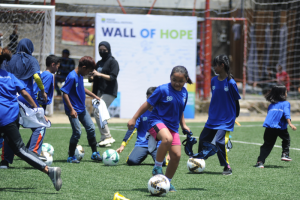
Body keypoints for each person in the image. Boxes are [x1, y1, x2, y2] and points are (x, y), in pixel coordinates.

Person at [0, 47, 62, 191]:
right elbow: (25, 93)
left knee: (17, 147)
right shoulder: (10, 76)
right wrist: (37, 109)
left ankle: (5, 161)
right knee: (20, 149)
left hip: (3, 117)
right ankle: (49, 171)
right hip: (11, 116)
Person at [127, 66, 192, 192]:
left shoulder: (184, 93)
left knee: (176, 156)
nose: (177, 83)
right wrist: (134, 118)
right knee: (166, 139)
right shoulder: (162, 89)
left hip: (172, 127)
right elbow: (147, 104)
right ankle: (157, 167)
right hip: (156, 122)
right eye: (174, 80)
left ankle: (166, 182)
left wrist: (183, 125)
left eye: (180, 81)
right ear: (170, 77)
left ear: (186, 80)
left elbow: (180, 110)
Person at [1, 38, 48, 168]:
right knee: (40, 125)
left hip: (11, 99)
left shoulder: (10, 58)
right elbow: (37, 77)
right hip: (25, 98)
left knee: (10, 129)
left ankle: (5, 161)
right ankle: (33, 155)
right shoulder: (31, 60)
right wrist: (43, 91)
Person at [196, 54, 241, 175]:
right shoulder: (213, 81)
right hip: (213, 117)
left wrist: (235, 116)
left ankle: (227, 167)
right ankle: (199, 162)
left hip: (226, 119)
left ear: (222, 65)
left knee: (220, 142)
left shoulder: (231, 83)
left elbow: (236, 101)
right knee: (203, 139)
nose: (213, 67)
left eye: (215, 65)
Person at [60, 56, 102, 163]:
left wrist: (94, 95)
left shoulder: (80, 75)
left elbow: (81, 88)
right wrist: (71, 110)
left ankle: (94, 153)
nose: (89, 73)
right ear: (83, 67)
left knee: (91, 128)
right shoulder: (72, 76)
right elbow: (65, 93)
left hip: (82, 109)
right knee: (77, 132)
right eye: (88, 71)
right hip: (73, 110)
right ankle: (70, 156)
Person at [116, 87, 167, 166]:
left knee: (163, 163)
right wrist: (122, 145)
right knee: (131, 161)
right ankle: (140, 153)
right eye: (148, 99)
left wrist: (169, 152)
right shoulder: (141, 112)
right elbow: (132, 129)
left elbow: (169, 133)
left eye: (153, 99)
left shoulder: (162, 112)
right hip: (142, 144)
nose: (151, 102)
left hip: (157, 145)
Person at [23, 55, 60, 155]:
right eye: (57, 66)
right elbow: (41, 93)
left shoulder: (44, 74)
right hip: (38, 104)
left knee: (37, 128)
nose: (58, 68)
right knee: (41, 126)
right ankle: (33, 153)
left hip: (34, 103)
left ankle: (26, 150)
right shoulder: (49, 76)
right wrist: (39, 108)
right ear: (53, 65)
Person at [255, 84, 297, 168]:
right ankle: (285, 154)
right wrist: (290, 123)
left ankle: (260, 162)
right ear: (283, 94)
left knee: (267, 145)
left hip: (269, 127)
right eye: (286, 92)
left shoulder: (271, 105)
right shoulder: (286, 103)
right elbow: (286, 114)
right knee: (286, 140)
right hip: (280, 127)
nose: (287, 93)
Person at [89, 41, 119, 147]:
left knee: (98, 111)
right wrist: (92, 76)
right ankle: (104, 138)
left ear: (108, 50)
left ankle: (107, 136)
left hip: (110, 91)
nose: (102, 52)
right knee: (97, 112)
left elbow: (112, 77)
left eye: (104, 50)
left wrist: (99, 74)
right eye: (100, 50)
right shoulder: (99, 63)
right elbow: (94, 78)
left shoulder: (113, 62)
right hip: (100, 92)